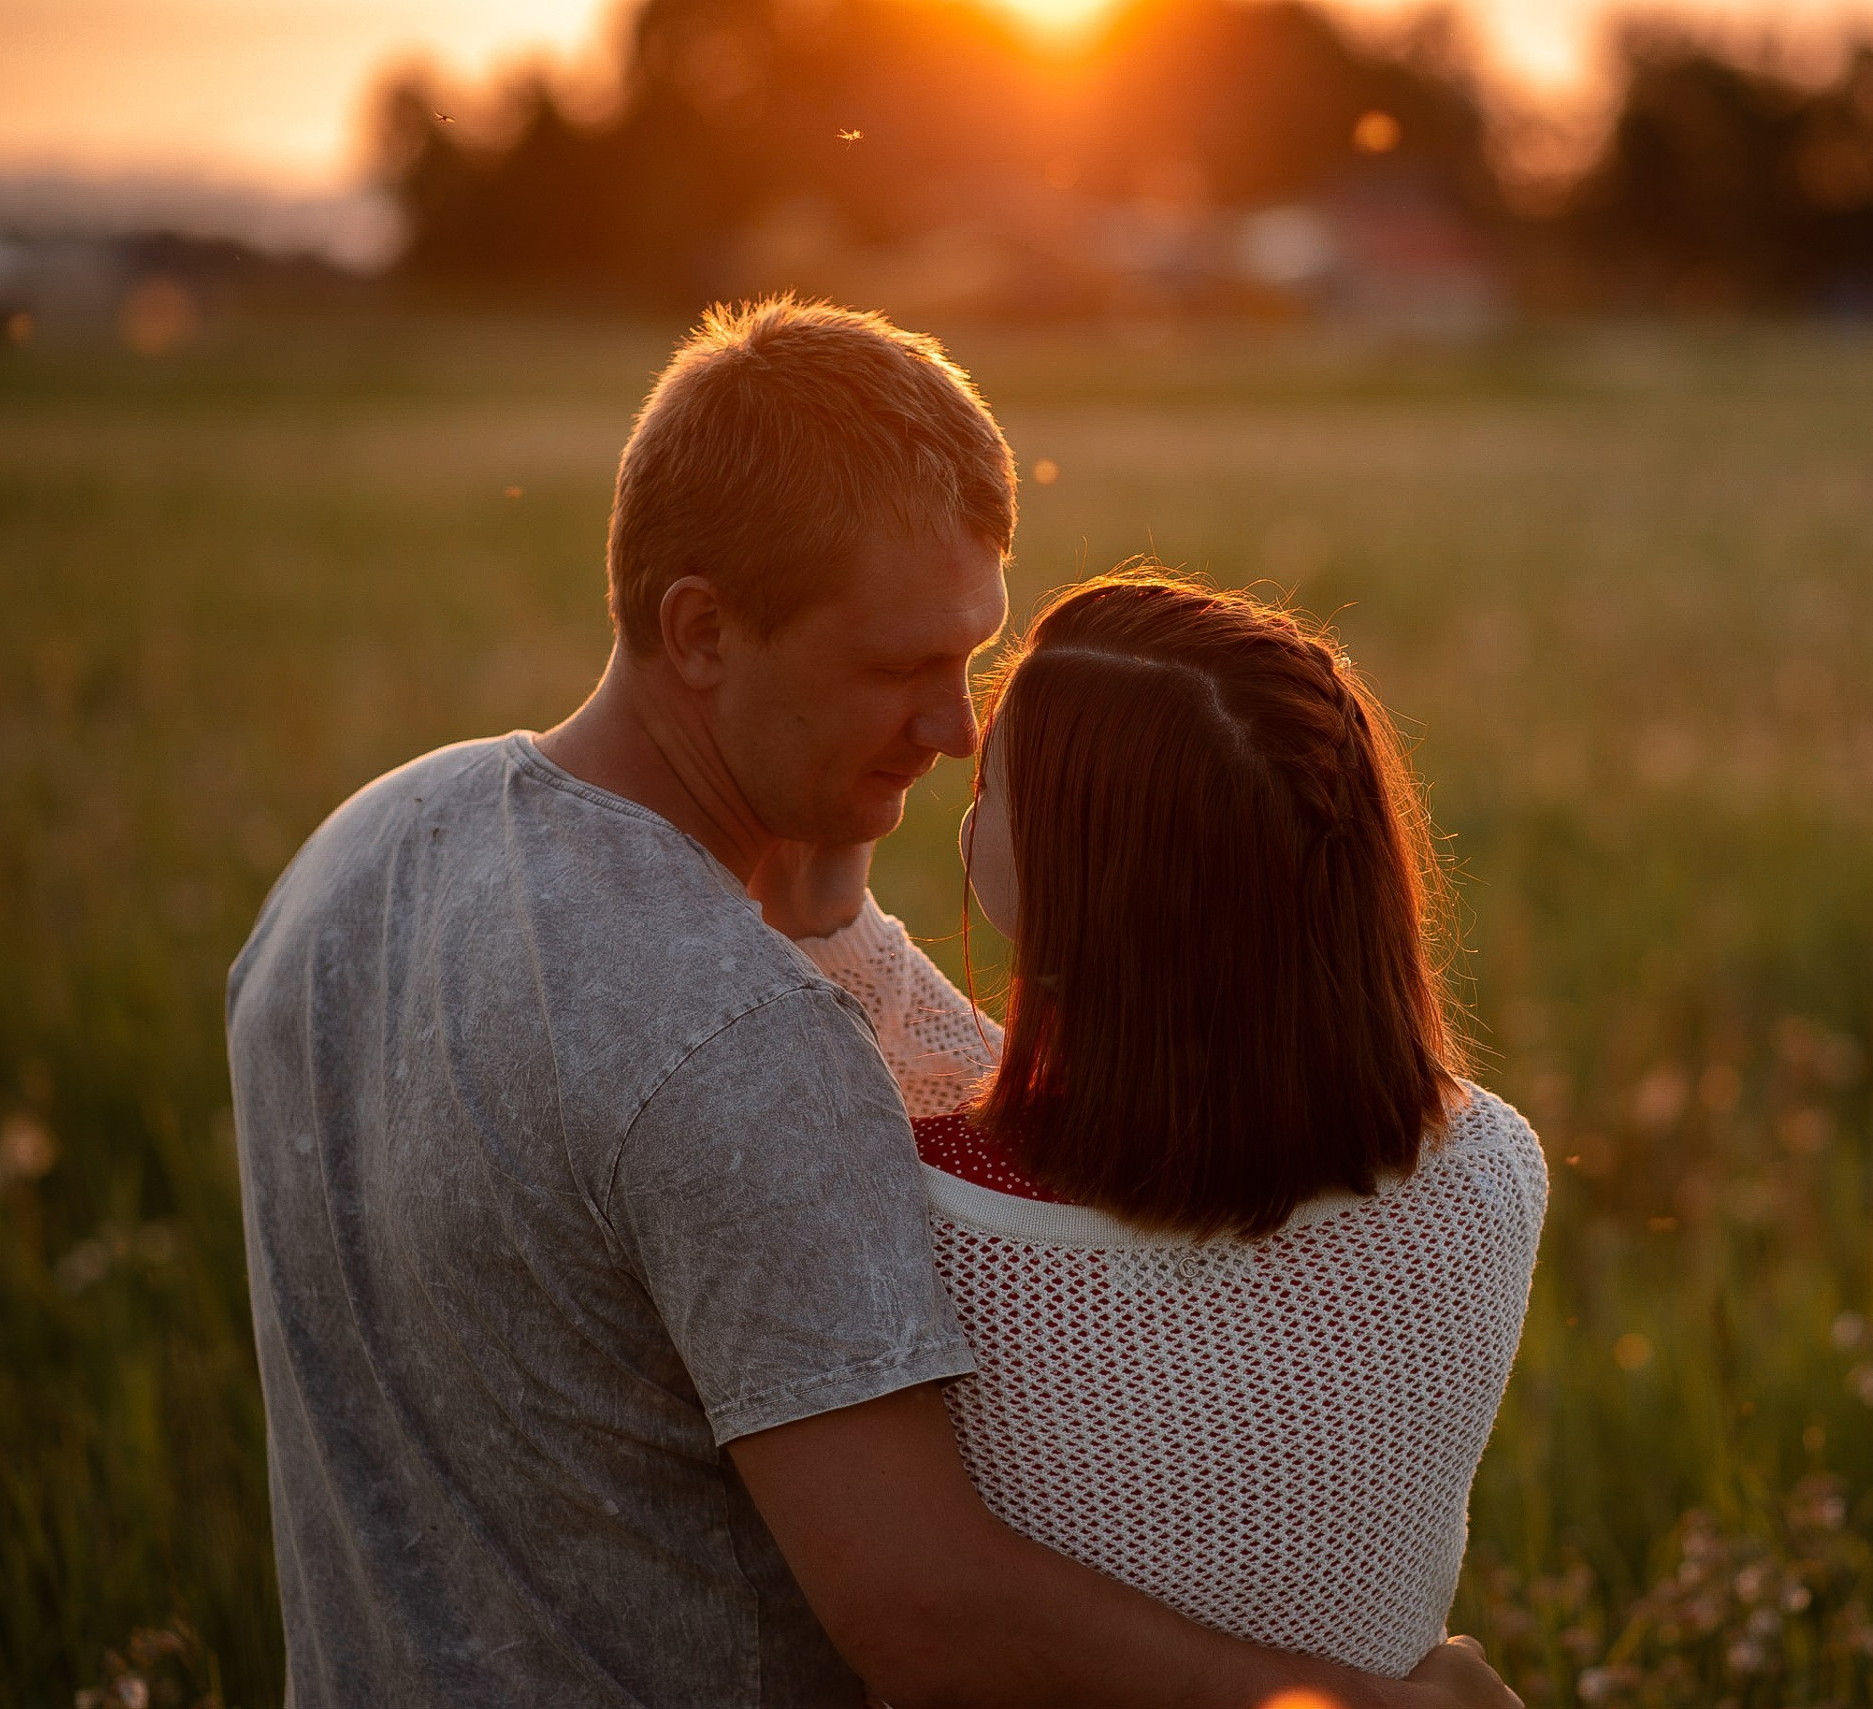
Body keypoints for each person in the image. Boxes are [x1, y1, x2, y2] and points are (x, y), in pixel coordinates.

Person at [226, 296, 1520, 1708]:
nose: (960, 728)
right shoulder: (742, 1042)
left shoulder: (356, 856)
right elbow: (928, 1615)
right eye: (900, 665)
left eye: (973, 655)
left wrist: (829, 905)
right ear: (702, 631)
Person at [791, 570, 1549, 1672]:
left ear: (1087, 874)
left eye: (994, 782)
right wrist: (838, 919)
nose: (967, 794)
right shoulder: (1488, 1173)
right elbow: (1025, 1091)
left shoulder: (931, 1224)